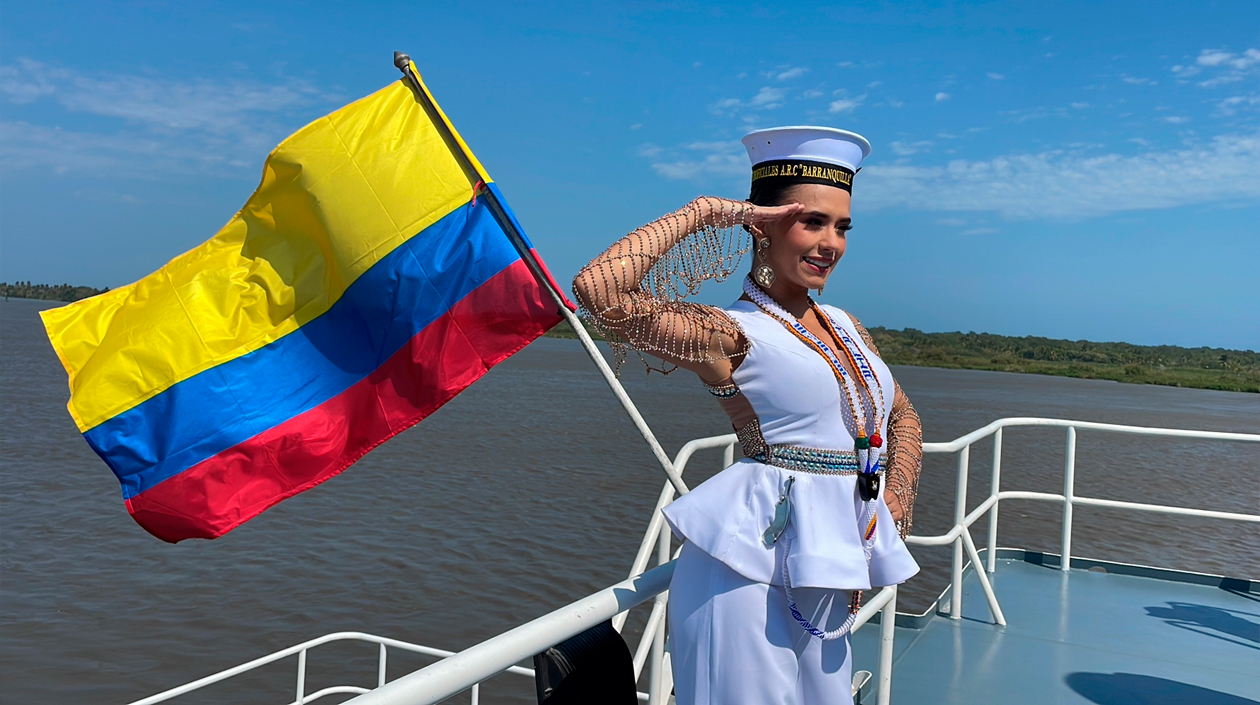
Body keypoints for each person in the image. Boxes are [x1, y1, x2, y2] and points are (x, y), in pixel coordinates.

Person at [572, 126, 924, 704]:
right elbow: (600, 289)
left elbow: (902, 416)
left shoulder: (846, 327)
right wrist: (708, 212)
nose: (830, 243)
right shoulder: (729, 334)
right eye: (811, 221)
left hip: (829, 565)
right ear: (761, 224)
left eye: (842, 227)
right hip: (747, 573)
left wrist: (897, 492)